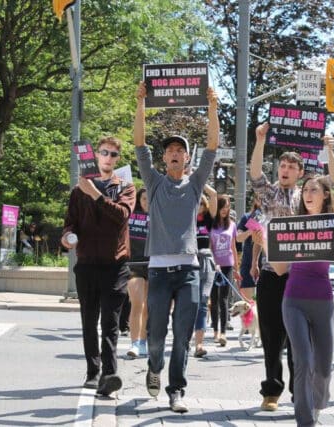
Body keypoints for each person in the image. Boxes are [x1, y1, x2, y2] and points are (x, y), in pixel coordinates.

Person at [133, 81, 219, 413]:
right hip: (158, 269)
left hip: (188, 270)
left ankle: (176, 390)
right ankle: (154, 366)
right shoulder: (153, 183)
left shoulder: (196, 182)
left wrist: (212, 107)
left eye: (179, 150)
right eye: (169, 150)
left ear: (186, 157)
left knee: (182, 334)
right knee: (156, 335)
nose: (173, 153)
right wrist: (141, 102)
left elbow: (212, 145)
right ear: (164, 157)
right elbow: (139, 142)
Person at [249, 122, 334, 411]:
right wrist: (259, 140)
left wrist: (330, 148)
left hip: (299, 277)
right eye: (282, 165)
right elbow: (254, 173)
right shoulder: (268, 194)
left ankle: (298, 391)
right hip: (271, 274)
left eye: (291, 166)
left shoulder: (307, 195)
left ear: (301, 173)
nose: (285, 170)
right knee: (271, 335)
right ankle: (271, 390)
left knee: (298, 342)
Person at [266, 174, 334, 426]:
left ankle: (317, 402)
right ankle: (304, 419)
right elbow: (280, 270)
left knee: (323, 367)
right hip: (294, 300)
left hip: (323, 301)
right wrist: (269, 247)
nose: (308, 194)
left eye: (313, 190)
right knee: (302, 360)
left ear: (325, 195)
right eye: (305, 191)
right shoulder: (293, 225)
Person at [61, 135, 136, 397]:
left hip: (115, 265)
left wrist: (95, 194)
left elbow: (121, 217)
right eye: (104, 152)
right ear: (96, 156)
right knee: (88, 320)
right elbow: (70, 222)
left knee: (111, 323)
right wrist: (67, 236)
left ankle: (109, 374)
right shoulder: (78, 190)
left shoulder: (125, 187)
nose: (108, 157)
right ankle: (93, 372)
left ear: (118, 159)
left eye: (113, 154)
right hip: (87, 264)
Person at [209, 194, 241, 347]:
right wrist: (213, 263)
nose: (225, 210)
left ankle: (223, 332)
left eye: (227, 207)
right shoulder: (211, 225)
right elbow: (209, 246)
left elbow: (233, 247)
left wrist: (236, 268)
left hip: (227, 264)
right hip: (214, 266)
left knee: (224, 299)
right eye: (222, 206)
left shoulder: (232, 225)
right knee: (214, 299)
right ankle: (215, 330)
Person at [125, 188, 150, 359]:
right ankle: (134, 343)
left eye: (149, 199)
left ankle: (143, 341)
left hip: (154, 264)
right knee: (137, 303)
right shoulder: (130, 215)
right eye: (143, 198)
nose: (146, 202)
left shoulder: (160, 214)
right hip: (134, 264)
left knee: (148, 307)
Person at [193, 185, 218, 358]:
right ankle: (184, 339)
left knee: (202, 302)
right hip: (189, 262)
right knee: (188, 302)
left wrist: (197, 178)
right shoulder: (185, 220)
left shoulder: (208, 220)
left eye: (202, 204)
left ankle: (199, 344)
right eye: (197, 204)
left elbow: (214, 195)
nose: (199, 207)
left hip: (207, 261)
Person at [236, 196, 262, 301]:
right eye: (260, 197)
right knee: (248, 304)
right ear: (255, 199)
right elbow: (238, 238)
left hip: (267, 265)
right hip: (247, 263)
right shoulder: (247, 217)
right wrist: (250, 230)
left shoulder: (272, 216)